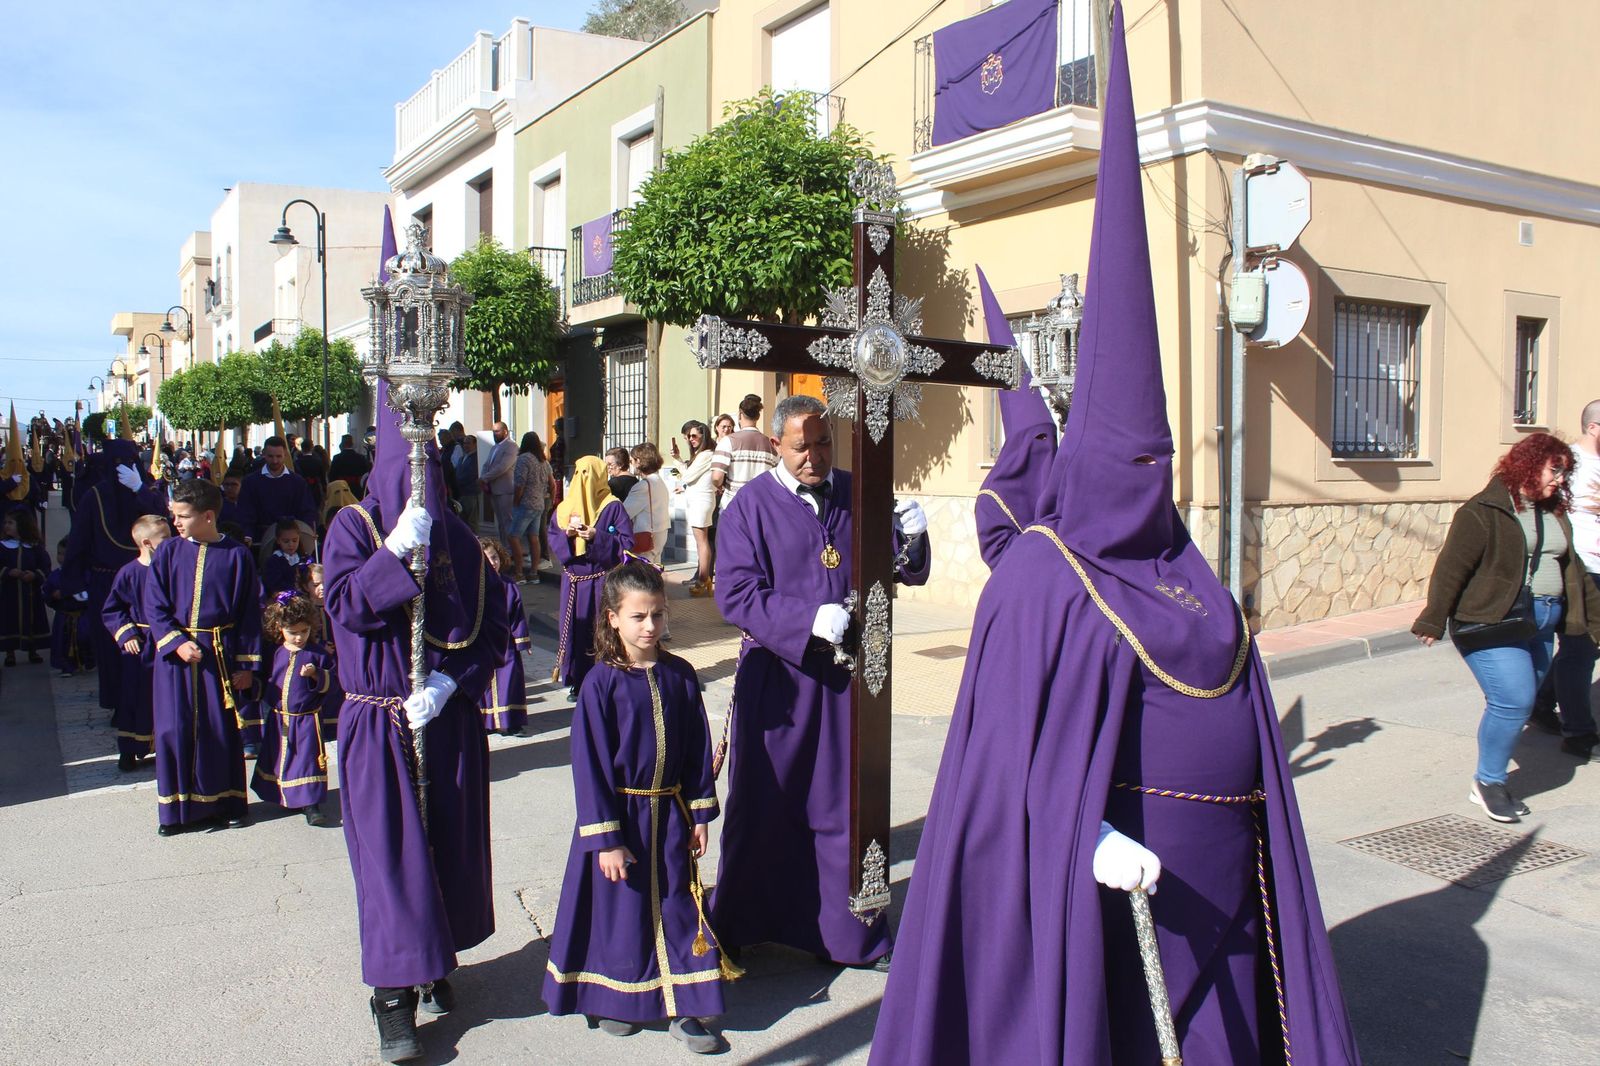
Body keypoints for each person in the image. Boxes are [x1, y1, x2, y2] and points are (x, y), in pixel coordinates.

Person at [871, 14, 1359, 1061]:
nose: (1150, 481)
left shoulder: (1194, 578)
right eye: (1132, 462)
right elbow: (998, 778)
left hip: (1224, 900)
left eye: (1162, 463)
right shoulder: (1043, 579)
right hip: (1112, 905)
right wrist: (1079, 835)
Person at [321, 380, 508, 1062]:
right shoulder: (354, 528)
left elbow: (495, 634)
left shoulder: (457, 534)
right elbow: (345, 607)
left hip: (445, 715)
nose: (418, 479)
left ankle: (434, 962)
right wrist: (393, 555)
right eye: (408, 464)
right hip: (379, 718)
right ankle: (391, 996)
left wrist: (453, 680)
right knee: (390, 862)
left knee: (445, 846)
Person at [710, 394, 929, 968]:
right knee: (766, 802)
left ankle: (853, 934)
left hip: (846, 680)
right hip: (779, 683)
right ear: (777, 445)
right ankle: (743, 921)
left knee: (846, 806)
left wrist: (912, 539)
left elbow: (898, 567)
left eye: (823, 442)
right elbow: (734, 593)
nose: (814, 456)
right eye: (801, 446)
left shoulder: (858, 491)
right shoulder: (748, 509)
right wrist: (807, 619)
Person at [541, 561, 732, 1054]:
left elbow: (695, 750)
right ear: (612, 619)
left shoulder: (681, 675)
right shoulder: (599, 684)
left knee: (678, 909)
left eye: (659, 615)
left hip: (670, 818)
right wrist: (606, 839)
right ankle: (619, 999)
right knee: (621, 915)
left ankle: (688, 1009)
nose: (650, 626)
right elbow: (590, 767)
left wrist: (700, 813)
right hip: (622, 819)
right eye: (639, 617)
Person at [1413, 432, 1600, 821]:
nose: (1561, 480)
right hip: (1492, 621)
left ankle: (1491, 772)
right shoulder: (1483, 510)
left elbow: (1575, 573)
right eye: (1556, 470)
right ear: (1529, 465)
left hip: (1541, 624)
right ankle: (1488, 782)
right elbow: (1452, 568)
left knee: (1521, 700)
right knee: (1513, 699)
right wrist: (1433, 618)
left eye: (1566, 473)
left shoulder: (1553, 513)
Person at [144, 477, 263, 836]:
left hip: (219, 655)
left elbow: (248, 614)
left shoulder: (237, 556)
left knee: (217, 730)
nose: (175, 523)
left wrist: (246, 665)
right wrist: (176, 642)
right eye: (173, 515)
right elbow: (154, 603)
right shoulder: (167, 552)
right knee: (174, 729)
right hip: (176, 659)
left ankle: (224, 803)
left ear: (208, 516)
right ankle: (176, 812)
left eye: (182, 516)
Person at [61, 437, 167, 710]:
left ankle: (148, 703)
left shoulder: (146, 492)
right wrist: (74, 580)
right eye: (117, 464)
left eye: (129, 463)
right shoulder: (94, 496)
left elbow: (164, 521)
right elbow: (79, 539)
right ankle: (118, 704)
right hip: (104, 579)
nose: (123, 469)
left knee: (148, 643)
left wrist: (140, 489)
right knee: (111, 647)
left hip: (145, 579)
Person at [973, 265, 1059, 570]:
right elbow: (1004, 562)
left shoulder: (1065, 484)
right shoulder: (992, 499)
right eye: (1037, 439)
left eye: (1049, 437)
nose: (1046, 447)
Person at [1530, 399, 1600, 760]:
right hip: (1580, 568)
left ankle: (1541, 702)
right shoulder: (1567, 462)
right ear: (1593, 427)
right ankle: (1578, 733)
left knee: (1591, 646)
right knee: (1580, 650)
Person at [549, 456, 634, 699]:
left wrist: (597, 535)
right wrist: (567, 534)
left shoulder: (612, 506)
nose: (583, 480)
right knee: (575, 629)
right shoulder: (565, 508)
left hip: (600, 580)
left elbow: (626, 544)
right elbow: (553, 536)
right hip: (573, 582)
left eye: (589, 473)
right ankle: (576, 679)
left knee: (600, 630)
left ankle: (603, 679)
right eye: (579, 473)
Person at [252, 590, 337, 827]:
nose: (299, 638)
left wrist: (316, 675)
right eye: (293, 632)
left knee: (307, 761)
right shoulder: (276, 653)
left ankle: (312, 805)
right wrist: (251, 685)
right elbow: (267, 683)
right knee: (280, 759)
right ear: (279, 627)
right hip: (280, 719)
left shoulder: (317, 654)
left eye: (304, 631)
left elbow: (333, 681)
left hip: (307, 720)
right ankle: (284, 797)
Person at [102, 515, 169, 770]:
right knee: (134, 697)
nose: (171, 542)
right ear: (147, 543)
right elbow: (112, 608)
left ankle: (164, 747)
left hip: (166, 641)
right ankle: (130, 749)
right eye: (164, 539)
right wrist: (127, 634)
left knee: (165, 697)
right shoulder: (128, 573)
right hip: (140, 645)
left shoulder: (171, 568)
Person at [477, 536, 530, 735]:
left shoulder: (509, 585)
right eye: (487, 559)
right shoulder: (473, 586)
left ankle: (512, 721)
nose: (493, 562)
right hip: (483, 643)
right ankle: (487, 722)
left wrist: (522, 640)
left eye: (494, 557)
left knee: (509, 681)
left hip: (506, 644)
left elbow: (518, 614)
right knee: (484, 685)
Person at [237, 436, 317, 544]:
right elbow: (245, 512)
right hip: (260, 541)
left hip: (292, 543)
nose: (275, 461)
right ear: (264, 454)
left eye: (279, 456)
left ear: (285, 454)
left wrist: (305, 534)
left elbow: (307, 511)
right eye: (271, 456)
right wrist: (248, 535)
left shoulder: (297, 482)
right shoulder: (250, 482)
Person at [709, 393, 776, 515]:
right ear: (758, 416)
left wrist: (719, 486)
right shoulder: (771, 445)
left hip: (734, 505)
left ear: (740, 414)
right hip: (761, 506)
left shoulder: (728, 441)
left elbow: (716, 478)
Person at [0, 508, 50, 666]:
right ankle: (10, 653)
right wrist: (8, 572)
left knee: (32, 620)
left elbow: (45, 566)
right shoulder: (3, 546)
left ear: (22, 525)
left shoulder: (34, 547)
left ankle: (32, 650)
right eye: (5, 523)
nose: (6, 526)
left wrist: (35, 575)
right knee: (9, 621)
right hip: (9, 593)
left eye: (11, 523)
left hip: (31, 593)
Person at [673, 421, 718, 595]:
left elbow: (687, 477)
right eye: (687, 437)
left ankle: (703, 578)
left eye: (693, 436)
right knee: (702, 541)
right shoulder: (701, 454)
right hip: (699, 500)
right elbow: (687, 474)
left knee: (702, 542)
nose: (690, 440)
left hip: (702, 501)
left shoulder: (706, 454)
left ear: (703, 435)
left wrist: (681, 467)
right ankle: (704, 578)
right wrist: (677, 458)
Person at [44, 538, 94, 677]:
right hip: (64, 615)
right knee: (62, 642)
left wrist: (67, 592)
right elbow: (47, 591)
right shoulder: (55, 575)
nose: (61, 557)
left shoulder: (84, 574)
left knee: (85, 638)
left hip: (82, 615)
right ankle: (67, 666)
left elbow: (87, 594)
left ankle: (87, 662)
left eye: (65, 554)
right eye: (59, 553)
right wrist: (53, 595)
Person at [509, 432, 553, 583]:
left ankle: (519, 573)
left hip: (526, 503)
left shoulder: (523, 459)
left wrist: (516, 500)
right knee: (534, 537)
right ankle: (534, 573)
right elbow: (551, 483)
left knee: (513, 536)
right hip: (539, 503)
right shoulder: (543, 461)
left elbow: (520, 483)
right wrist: (551, 500)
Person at [624, 443, 671, 567]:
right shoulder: (659, 481)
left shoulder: (643, 486)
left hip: (645, 537)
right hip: (660, 533)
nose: (631, 464)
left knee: (641, 578)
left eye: (632, 460)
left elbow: (624, 513)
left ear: (638, 461)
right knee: (653, 574)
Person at [479, 421, 516, 546]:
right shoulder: (494, 447)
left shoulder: (511, 446)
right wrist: (482, 477)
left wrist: (485, 478)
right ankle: (504, 547)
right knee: (500, 522)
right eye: (493, 431)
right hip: (494, 489)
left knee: (508, 521)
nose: (495, 434)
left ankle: (511, 549)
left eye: (497, 431)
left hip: (505, 490)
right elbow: (487, 464)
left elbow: (503, 467)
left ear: (505, 431)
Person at [260, 518, 315, 602]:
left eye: (294, 540)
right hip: (284, 602)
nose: (291, 544)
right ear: (278, 540)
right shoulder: (273, 561)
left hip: (306, 601)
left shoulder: (305, 559)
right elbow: (272, 586)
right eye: (286, 541)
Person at [455, 433, 481, 527]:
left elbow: (471, 474)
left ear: (475, 444)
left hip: (471, 493)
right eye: (465, 443)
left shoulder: (476, 458)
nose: (466, 445)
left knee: (471, 521)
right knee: (462, 521)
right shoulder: (462, 458)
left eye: (468, 443)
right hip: (461, 493)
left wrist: (459, 481)